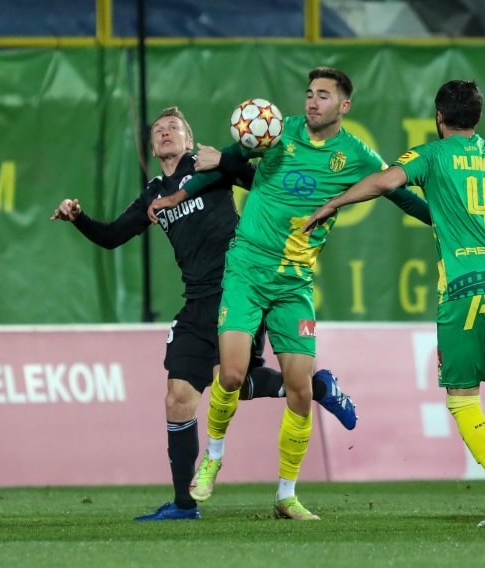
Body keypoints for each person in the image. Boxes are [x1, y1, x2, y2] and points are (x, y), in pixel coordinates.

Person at [304, 80, 485, 527]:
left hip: (464, 288)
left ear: (439, 117)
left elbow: (385, 182)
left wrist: (334, 203)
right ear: (477, 118)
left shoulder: (431, 155)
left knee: (463, 401)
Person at [146, 68, 433, 520]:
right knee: (233, 376)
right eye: (309, 94)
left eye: (323, 95)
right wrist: (178, 192)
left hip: (295, 281)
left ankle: (286, 495)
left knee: (300, 391)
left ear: (345, 106)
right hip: (245, 268)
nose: (312, 102)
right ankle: (213, 458)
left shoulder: (357, 156)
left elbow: (399, 193)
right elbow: (223, 161)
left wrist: (444, 222)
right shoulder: (278, 131)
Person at [50, 106, 359, 522]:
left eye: (173, 127)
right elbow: (111, 237)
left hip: (239, 288)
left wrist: (236, 160)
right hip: (197, 301)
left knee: (229, 381)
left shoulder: (209, 167)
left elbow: (263, 185)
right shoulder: (152, 194)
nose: (164, 133)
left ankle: (313, 388)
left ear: (189, 140)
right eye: (158, 129)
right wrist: (78, 218)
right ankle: (183, 504)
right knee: (178, 397)